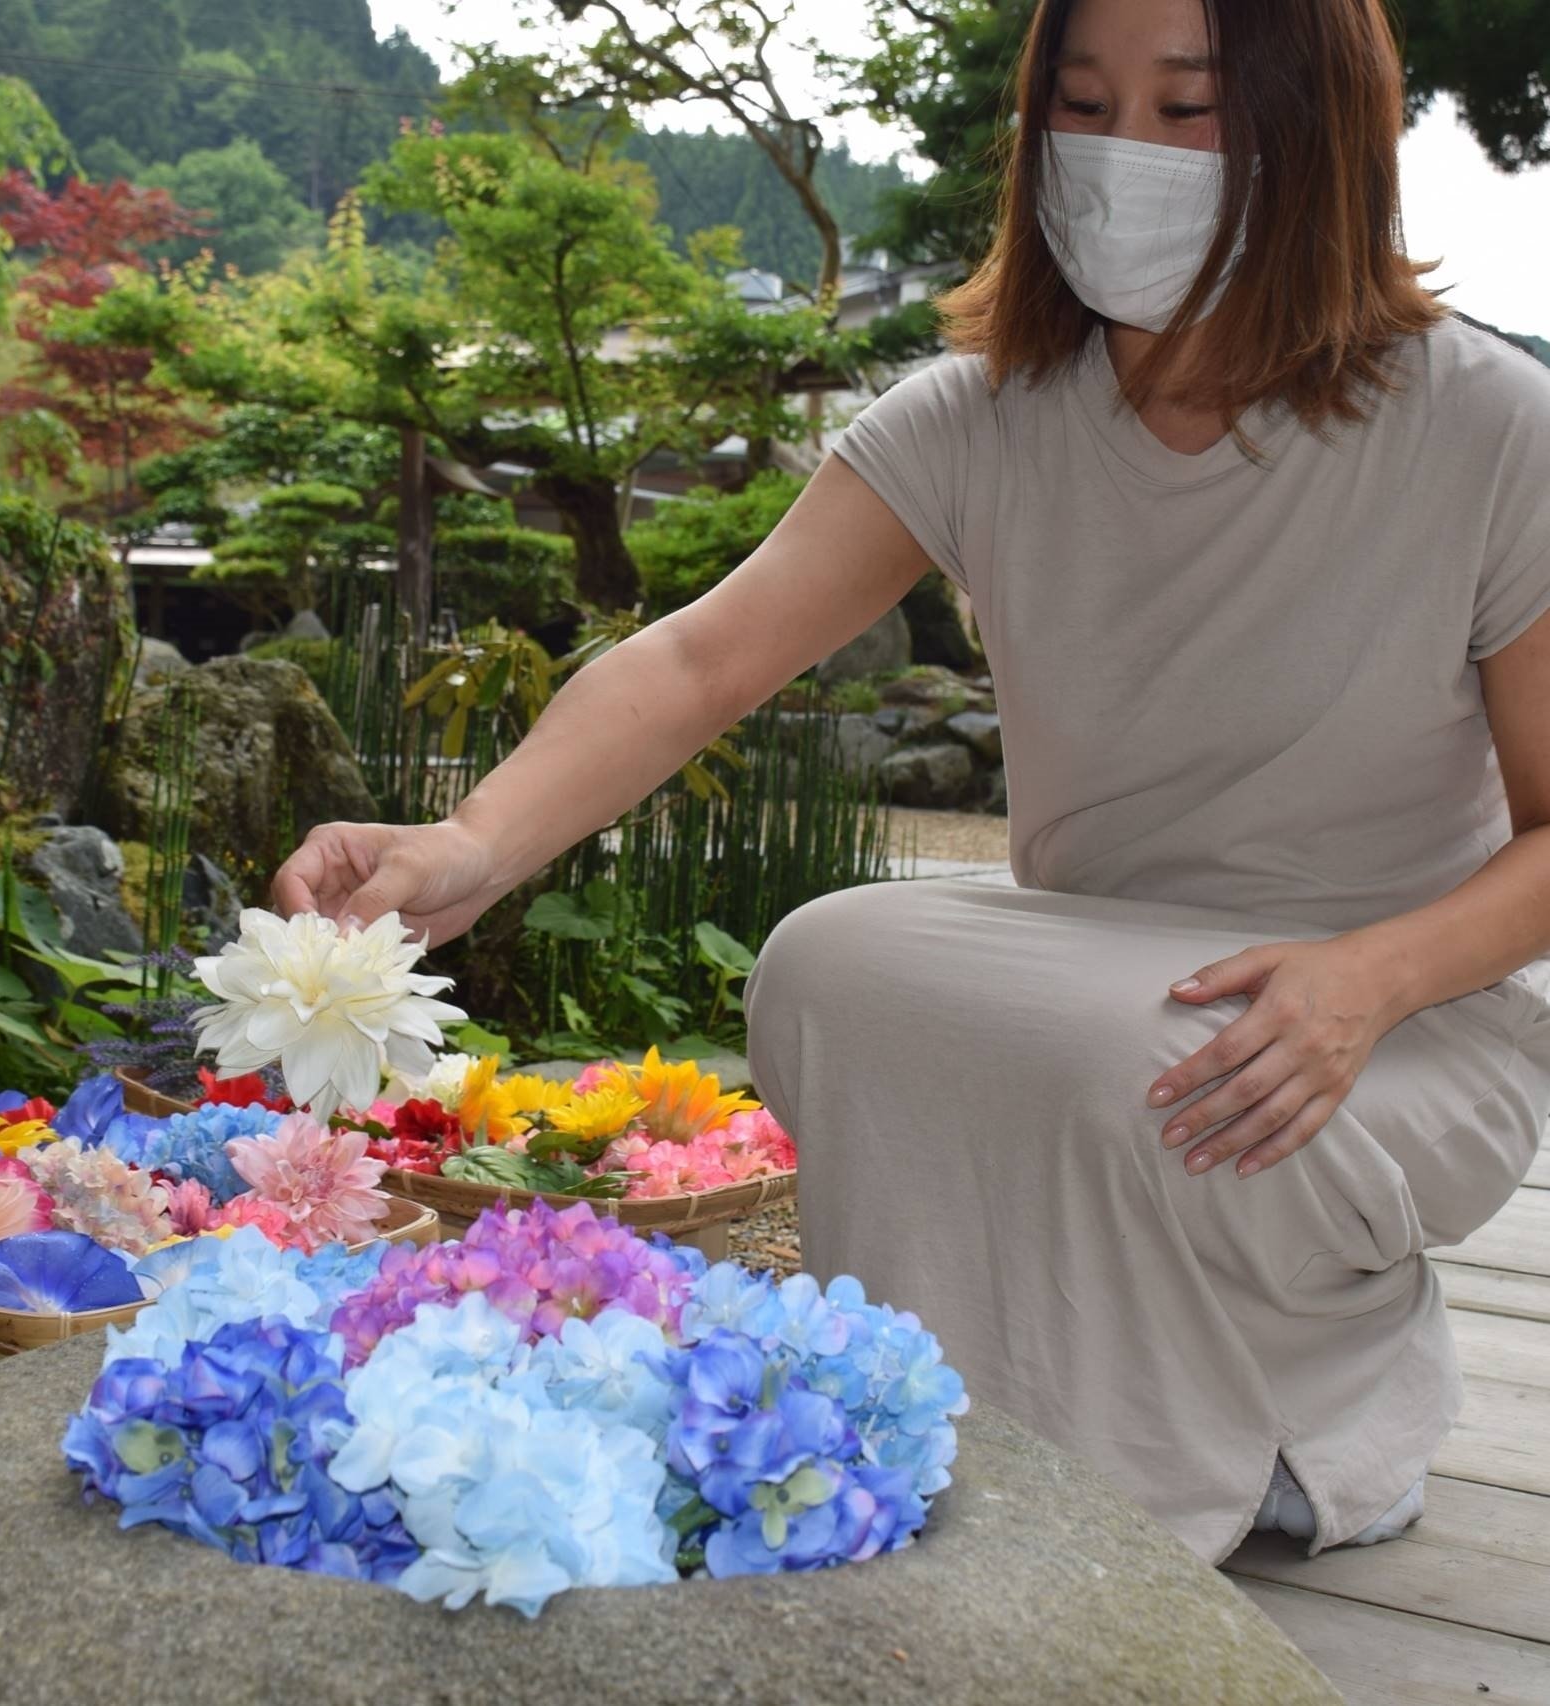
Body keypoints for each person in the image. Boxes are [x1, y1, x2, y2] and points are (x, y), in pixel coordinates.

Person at [270, 0, 1550, 1566]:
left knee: (1136, 1072)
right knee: (826, 965)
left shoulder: (1490, 426)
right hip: (1097, 974)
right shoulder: (982, 416)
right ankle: (931, 1429)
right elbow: (699, 659)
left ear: (1320, 132)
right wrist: (466, 845)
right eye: (1082, 105)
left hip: (1401, 1013)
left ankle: (1293, 1440)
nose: (1117, 158)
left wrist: (1370, 977)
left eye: (1185, 109)